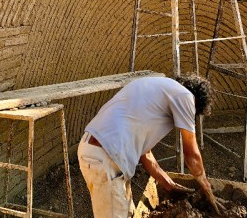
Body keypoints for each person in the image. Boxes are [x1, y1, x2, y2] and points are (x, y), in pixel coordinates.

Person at [77, 74, 218, 217]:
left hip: (95, 151)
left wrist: (166, 181)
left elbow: (145, 154)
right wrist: (205, 184)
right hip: (106, 156)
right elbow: (192, 156)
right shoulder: (185, 96)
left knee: (128, 213)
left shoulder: (155, 88)